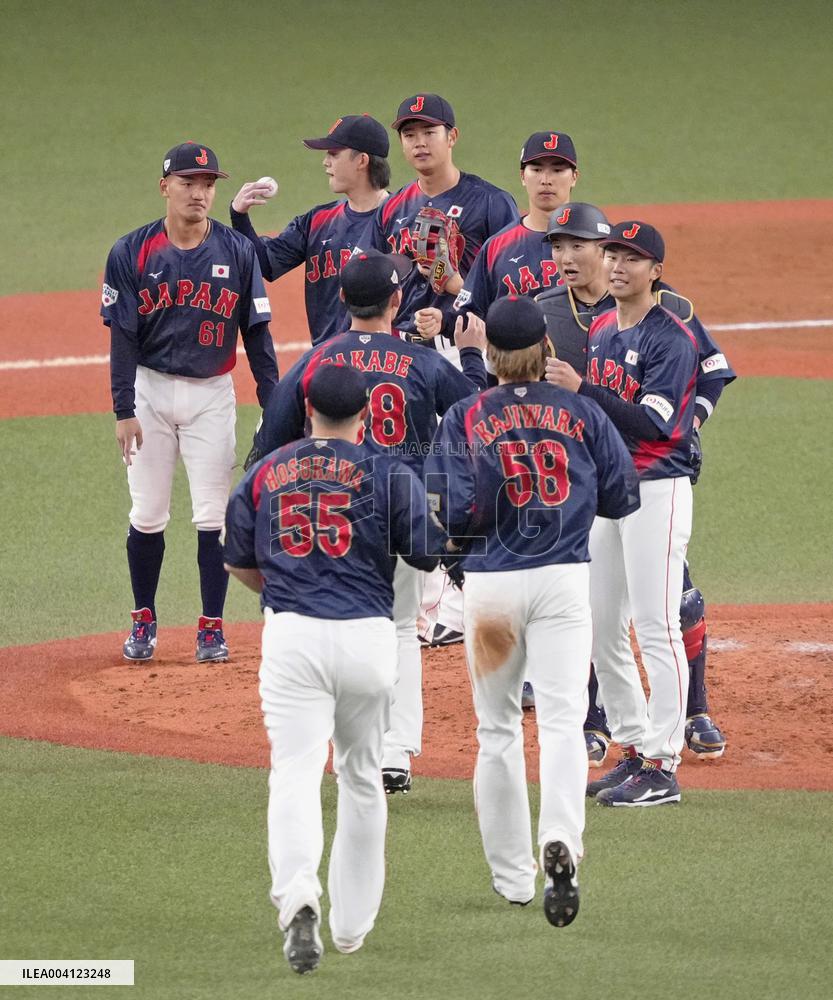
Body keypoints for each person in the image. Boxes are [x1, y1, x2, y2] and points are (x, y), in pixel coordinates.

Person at [223, 363, 451, 974]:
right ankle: (352, 928)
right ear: (367, 418)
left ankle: (299, 898)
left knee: (295, 772)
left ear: (306, 413)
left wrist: (284, 592)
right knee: (361, 777)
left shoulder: (267, 472)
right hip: (368, 644)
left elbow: (239, 560)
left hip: (292, 636)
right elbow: (427, 556)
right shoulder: (387, 471)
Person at [425, 295, 639, 921]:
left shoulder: (464, 415)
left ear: (489, 356)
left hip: (492, 589)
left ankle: (515, 879)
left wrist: (472, 544)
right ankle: (562, 841)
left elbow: (449, 506)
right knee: (563, 723)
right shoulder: (582, 410)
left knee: (496, 732)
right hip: (564, 584)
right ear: (546, 351)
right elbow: (623, 494)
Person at [247, 249, 487, 794]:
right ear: (397, 300)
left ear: (341, 299)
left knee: (332, 623)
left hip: (328, 513)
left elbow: (269, 444)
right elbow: (476, 408)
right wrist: (470, 356)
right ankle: (394, 756)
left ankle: (335, 747)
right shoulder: (422, 361)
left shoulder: (317, 360)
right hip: (402, 513)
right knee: (400, 629)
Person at [538, 203, 735, 762]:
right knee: (602, 628)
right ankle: (636, 740)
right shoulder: (601, 327)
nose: (619, 266)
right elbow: (601, 421)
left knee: (656, 624)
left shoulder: (669, 334)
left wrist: (581, 390)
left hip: (656, 487)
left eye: (634, 258)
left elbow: (650, 420)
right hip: (608, 493)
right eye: (615, 254)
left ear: (655, 270)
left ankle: (665, 755)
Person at [100, 141, 278, 664]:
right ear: (165, 187)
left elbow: (259, 342)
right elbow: (123, 339)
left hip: (211, 397)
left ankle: (211, 627)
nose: (199, 193)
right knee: (148, 513)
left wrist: (275, 406)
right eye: (188, 183)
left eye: (207, 184)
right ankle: (143, 618)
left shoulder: (237, 251)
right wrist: (123, 409)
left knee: (212, 517)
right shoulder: (130, 252)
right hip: (149, 391)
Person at [419, 130, 579, 650]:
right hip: (507, 405)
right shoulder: (500, 248)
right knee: (509, 509)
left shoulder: (595, 243)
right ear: (523, 176)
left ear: (573, 177)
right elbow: (465, 312)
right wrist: (438, 314)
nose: (547, 178)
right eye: (538, 168)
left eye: (557, 169)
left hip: (570, 405)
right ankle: (485, 615)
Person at [370, 93, 519, 358]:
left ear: (452, 137)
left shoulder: (491, 202)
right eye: (410, 136)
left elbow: (510, 290)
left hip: (463, 348)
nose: (420, 143)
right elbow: (373, 278)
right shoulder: (391, 207)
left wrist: (456, 285)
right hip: (401, 349)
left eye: (429, 132)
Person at [230, 114, 391, 344]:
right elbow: (266, 263)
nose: (326, 162)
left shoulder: (399, 219)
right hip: (327, 361)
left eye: (334, 154)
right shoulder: (317, 221)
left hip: (381, 359)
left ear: (362, 161)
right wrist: (240, 216)